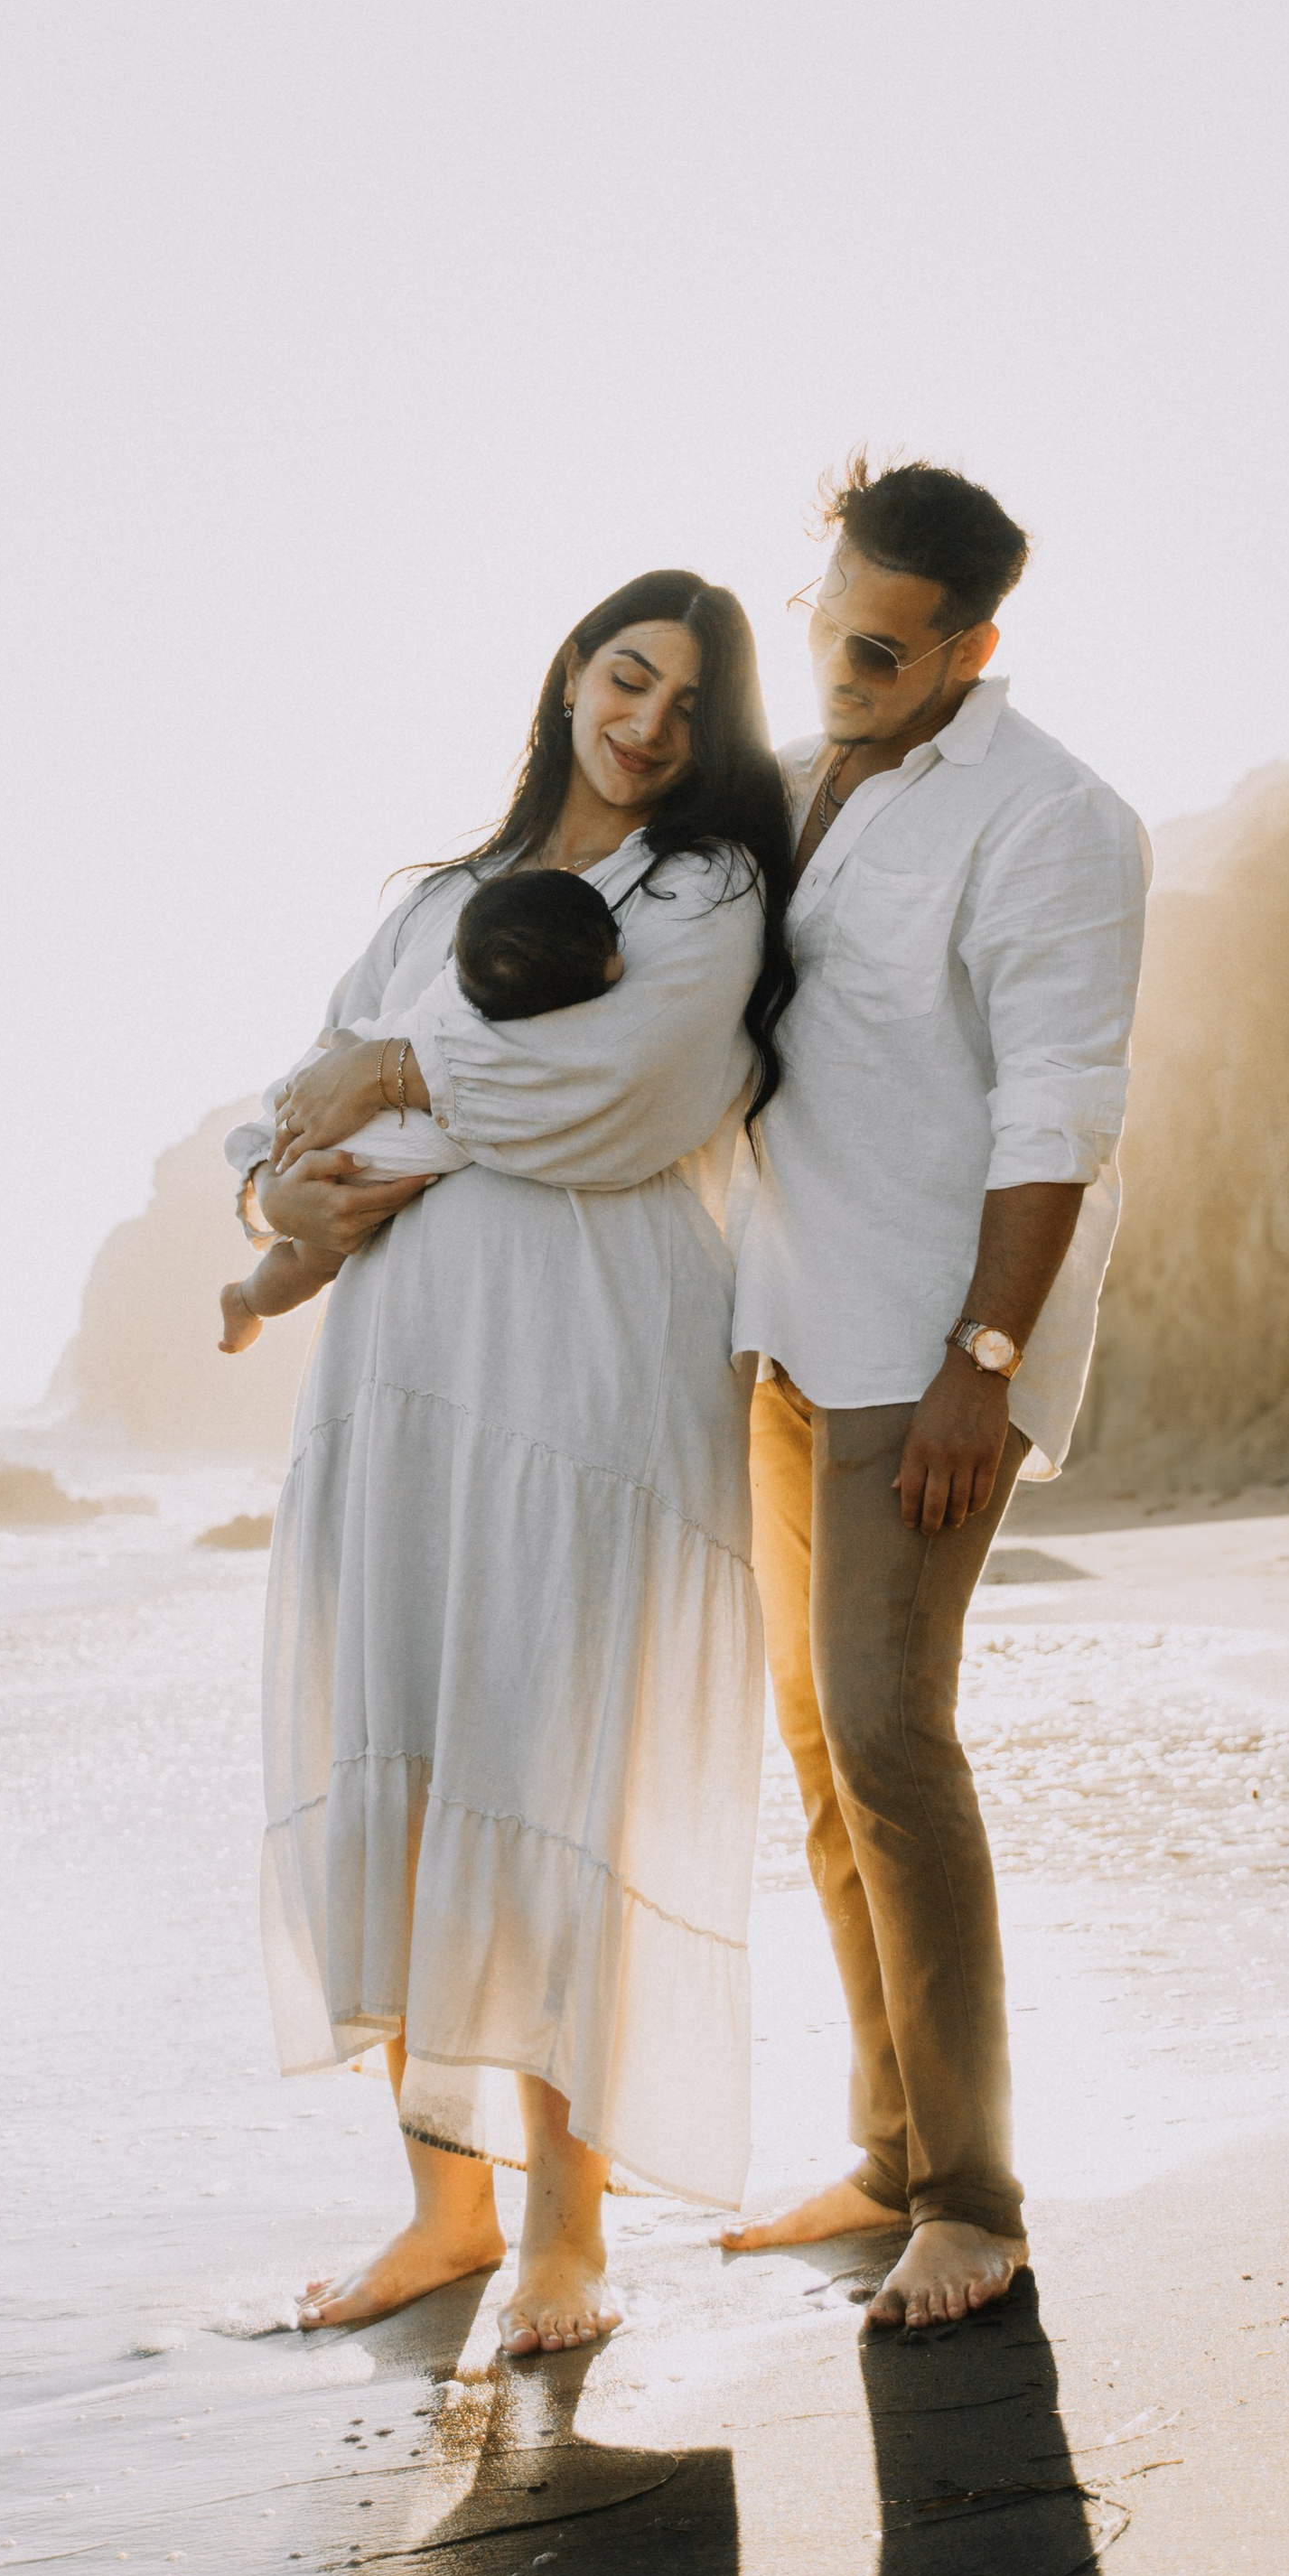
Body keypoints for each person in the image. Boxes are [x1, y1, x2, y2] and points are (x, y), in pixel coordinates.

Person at [238, 573, 796, 2354]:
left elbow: (618, 1095)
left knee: (560, 1776)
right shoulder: (429, 904)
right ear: (569, 675)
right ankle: (441, 2211)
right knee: (397, 1749)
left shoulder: (706, 892)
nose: (646, 722)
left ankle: (568, 2232)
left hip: (587, 1379)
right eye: (625, 676)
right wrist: (273, 1189)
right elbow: (290, 1100)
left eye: (688, 705)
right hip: (397, 1378)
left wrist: (391, 1078)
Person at [722, 458, 1149, 2333]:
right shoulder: (808, 777)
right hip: (781, 1338)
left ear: (973, 645)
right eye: (826, 622)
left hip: (925, 1359)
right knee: (821, 1761)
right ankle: (887, 2149)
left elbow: (1057, 1104)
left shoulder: (1054, 822)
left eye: (882, 645)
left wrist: (985, 1364)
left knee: (895, 1747)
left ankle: (972, 2199)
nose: (840, 661)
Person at [214, 872, 625, 1354]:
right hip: (341, 1164)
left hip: (332, 1078)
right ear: (610, 969)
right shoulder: (521, 1055)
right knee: (309, 1264)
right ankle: (246, 1300)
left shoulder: (458, 981)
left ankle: (246, 1297)